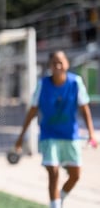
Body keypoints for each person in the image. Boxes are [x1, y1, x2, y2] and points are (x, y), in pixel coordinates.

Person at [14, 50, 97, 208]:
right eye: (54, 62)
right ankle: (55, 205)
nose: (58, 65)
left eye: (61, 61)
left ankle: (60, 198)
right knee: (53, 172)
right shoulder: (42, 85)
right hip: (49, 135)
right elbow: (32, 111)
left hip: (70, 135)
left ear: (67, 63)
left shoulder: (75, 82)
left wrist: (91, 134)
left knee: (75, 175)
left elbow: (84, 109)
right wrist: (20, 137)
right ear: (50, 66)